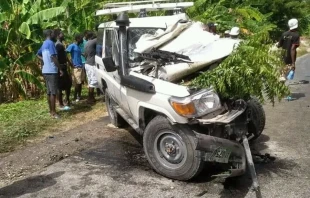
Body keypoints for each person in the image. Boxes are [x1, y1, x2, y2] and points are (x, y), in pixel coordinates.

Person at [36, 29, 63, 119]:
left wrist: (44, 60)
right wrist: (60, 69)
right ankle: (54, 113)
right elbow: (54, 57)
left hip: (45, 70)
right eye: (53, 33)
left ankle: (51, 111)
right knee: (53, 92)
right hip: (52, 71)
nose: (54, 35)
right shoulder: (51, 43)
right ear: (50, 34)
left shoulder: (44, 44)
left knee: (49, 92)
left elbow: (37, 54)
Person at [55, 30, 73, 109]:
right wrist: (59, 68)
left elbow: (65, 57)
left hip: (64, 66)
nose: (63, 35)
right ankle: (61, 103)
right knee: (61, 86)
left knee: (68, 84)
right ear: (58, 35)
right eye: (62, 33)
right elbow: (57, 57)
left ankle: (66, 100)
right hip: (61, 67)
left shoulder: (61, 44)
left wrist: (69, 64)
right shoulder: (58, 45)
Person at [66, 33, 84, 102]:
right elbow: (65, 53)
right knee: (77, 83)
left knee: (80, 82)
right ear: (78, 39)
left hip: (80, 66)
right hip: (76, 67)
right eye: (81, 38)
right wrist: (70, 63)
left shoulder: (78, 46)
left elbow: (79, 54)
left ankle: (79, 96)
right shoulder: (72, 46)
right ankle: (75, 96)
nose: (82, 40)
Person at [84, 31, 98, 103]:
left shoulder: (87, 43)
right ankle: (90, 98)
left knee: (90, 81)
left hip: (87, 63)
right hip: (92, 64)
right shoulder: (94, 41)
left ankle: (91, 97)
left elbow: (85, 54)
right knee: (93, 81)